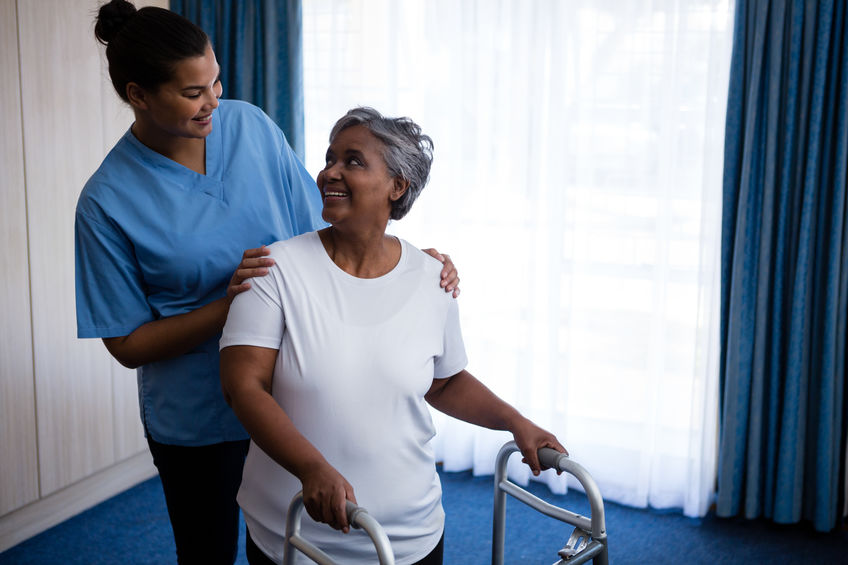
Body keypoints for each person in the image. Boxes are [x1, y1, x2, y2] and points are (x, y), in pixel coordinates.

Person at [74, 3, 459, 564]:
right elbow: (127, 344)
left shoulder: (249, 125)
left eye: (216, 81)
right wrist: (229, 303)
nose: (213, 102)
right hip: (199, 418)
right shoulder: (106, 201)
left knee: (291, 544)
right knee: (206, 552)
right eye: (192, 93)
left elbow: (324, 226)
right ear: (139, 95)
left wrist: (402, 261)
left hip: (294, 396)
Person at [219, 107, 566, 565]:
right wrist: (312, 468)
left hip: (411, 532)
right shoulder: (274, 270)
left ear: (397, 186)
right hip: (298, 531)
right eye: (329, 158)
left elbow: (444, 382)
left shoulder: (431, 278)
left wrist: (515, 421)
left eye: (353, 161)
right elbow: (243, 387)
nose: (329, 172)